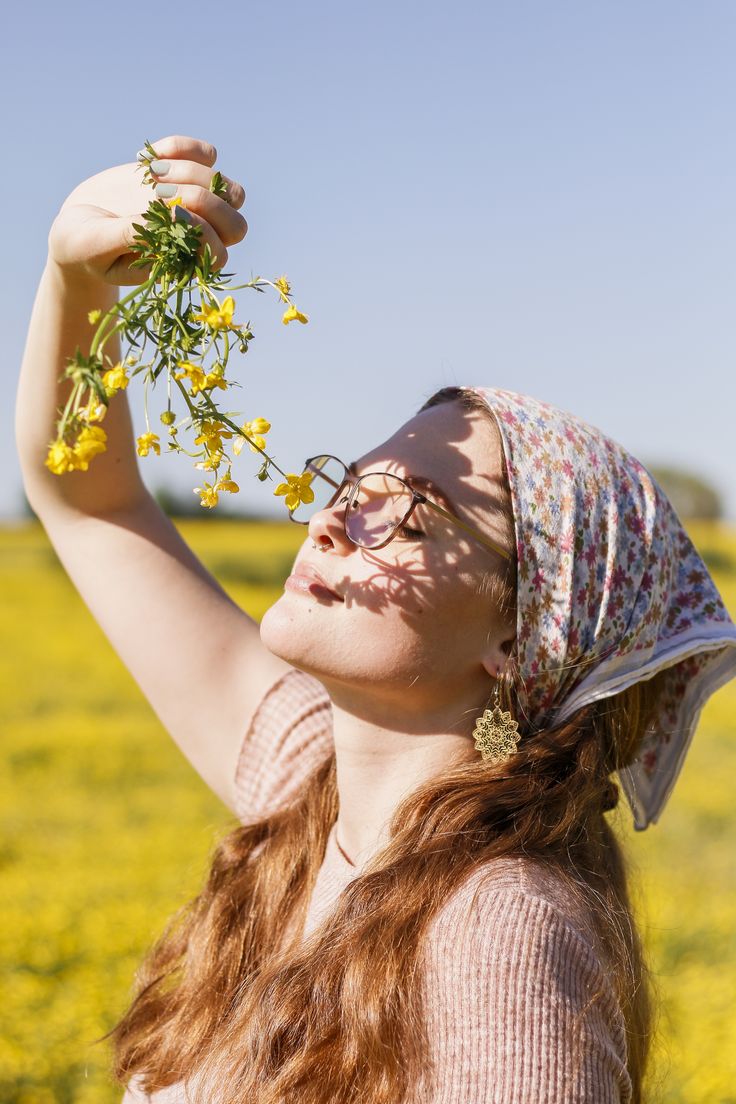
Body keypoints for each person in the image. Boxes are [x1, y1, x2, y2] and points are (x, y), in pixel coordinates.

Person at [16, 135, 736, 1104]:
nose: (333, 519)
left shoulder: (502, 928)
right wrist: (80, 285)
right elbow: (91, 501)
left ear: (524, 639)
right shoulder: (309, 799)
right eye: (349, 483)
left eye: (410, 510)